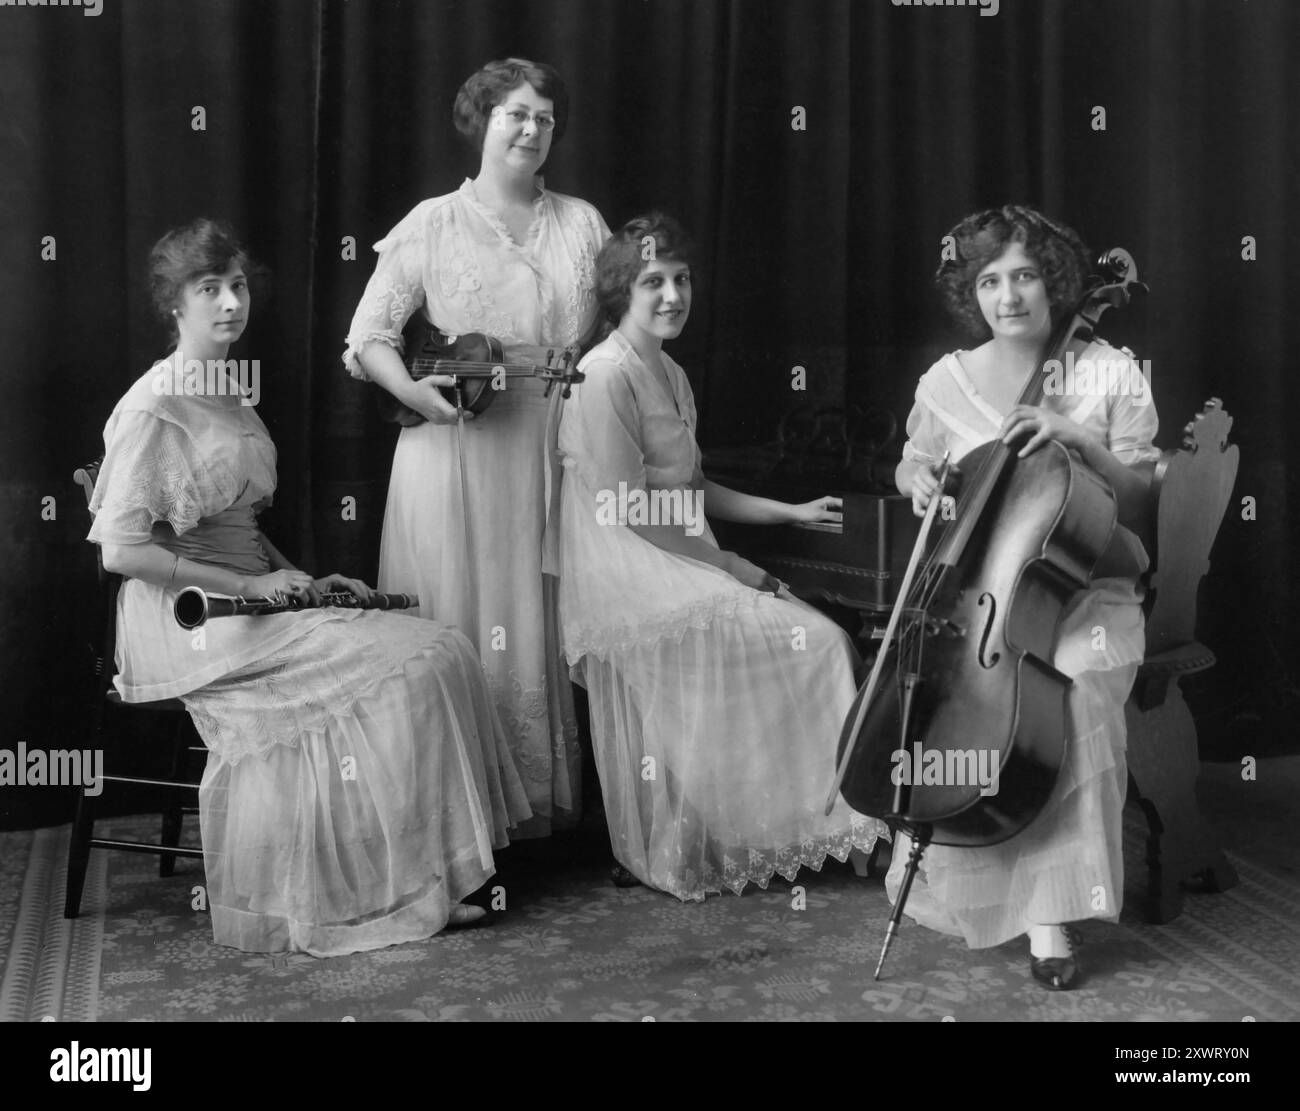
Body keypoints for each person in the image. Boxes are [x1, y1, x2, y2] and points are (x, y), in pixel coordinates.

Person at [89, 219, 532, 956]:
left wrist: (301, 575)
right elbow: (122, 549)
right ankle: (382, 887)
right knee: (412, 668)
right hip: (186, 615)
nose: (231, 303)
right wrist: (248, 586)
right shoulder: (152, 407)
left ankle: (419, 873)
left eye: (236, 286)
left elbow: (239, 520)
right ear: (175, 305)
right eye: (210, 290)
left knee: (442, 648)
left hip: (247, 592)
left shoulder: (229, 390)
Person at [556, 213, 886, 901]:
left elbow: (691, 488)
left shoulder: (669, 370)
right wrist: (741, 569)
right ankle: (811, 825)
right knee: (818, 641)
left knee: (815, 639)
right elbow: (631, 511)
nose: (673, 295)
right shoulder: (605, 373)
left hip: (679, 552)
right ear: (621, 293)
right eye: (653, 282)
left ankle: (796, 825)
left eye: (681, 279)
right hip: (630, 571)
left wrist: (787, 513)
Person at [890, 205, 1159, 989]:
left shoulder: (1108, 370)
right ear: (971, 293)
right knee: (972, 702)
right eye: (990, 280)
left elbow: (1142, 499)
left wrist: (1083, 444)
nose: (1009, 296)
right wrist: (917, 480)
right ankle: (981, 881)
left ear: (1057, 283)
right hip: (986, 604)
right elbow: (914, 463)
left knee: (1069, 694)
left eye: (1026, 276)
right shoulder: (943, 380)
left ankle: (1053, 914)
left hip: (1092, 591)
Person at [344, 58, 609, 838]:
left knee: (535, 612)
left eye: (546, 118)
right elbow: (368, 339)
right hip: (455, 456)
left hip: (552, 451)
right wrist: (413, 393)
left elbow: (612, 335)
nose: (531, 129)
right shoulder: (432, 223)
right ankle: (451, 825)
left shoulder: (584, 223)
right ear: (482, 119)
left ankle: (532, 805)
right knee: (461, 617)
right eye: (515, 114)